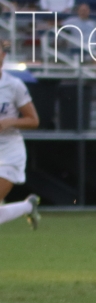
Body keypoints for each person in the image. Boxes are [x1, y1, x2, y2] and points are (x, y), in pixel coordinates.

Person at [0, 42, 40, 230]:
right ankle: (28, 206)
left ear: (3, 56)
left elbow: (33, 120)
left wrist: (10, 122)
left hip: (9, 153)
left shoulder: (13, 85)